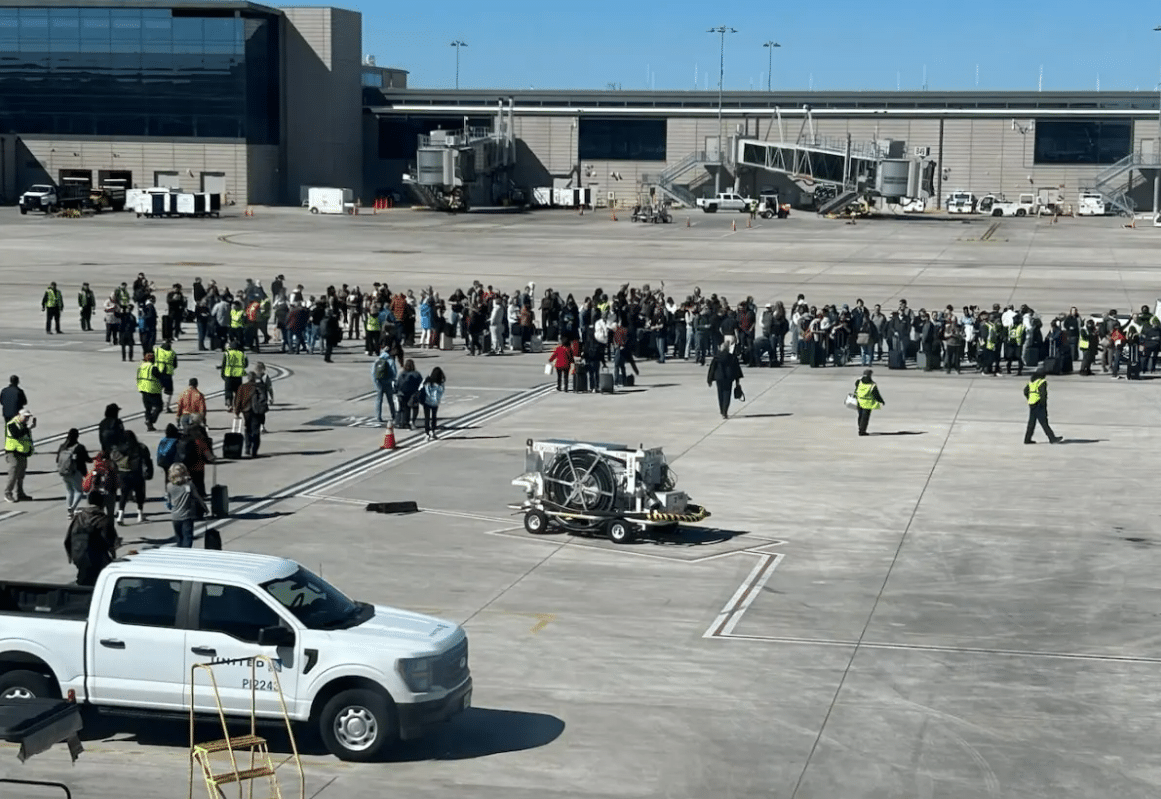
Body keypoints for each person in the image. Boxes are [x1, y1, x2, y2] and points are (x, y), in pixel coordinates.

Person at [64, 491, 117, 586]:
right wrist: (113, 553)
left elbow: (68, 537)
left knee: (84, 576)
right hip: (94, 557)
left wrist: (70, 555)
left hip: (77, 554)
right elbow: (110, 541)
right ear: (102, 504)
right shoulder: (103, 520)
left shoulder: (78, 517)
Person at [112, 430, 152, 524]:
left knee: (123, 494)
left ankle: (120, 515)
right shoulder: (140, 447)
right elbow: (147, 459)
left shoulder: (118, 448)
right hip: (137, 473)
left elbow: (113, 461)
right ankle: (140, 515)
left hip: (123, 473)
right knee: (139, 493)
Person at [166, 463, 207, 548]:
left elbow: (168, 502)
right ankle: (185, 555)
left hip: (175, 516)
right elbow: (197, 497)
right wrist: (204, 507)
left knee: (179, 539)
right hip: (186, 516)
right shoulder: (189, 485)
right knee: (187, 538)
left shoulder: (169, 486)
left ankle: (179, 555)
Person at [56, 428, 91, 519]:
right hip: (76, 472)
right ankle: (73, 507)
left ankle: (69, 510)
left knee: (69, 491)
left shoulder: (62, 446)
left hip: (64, 472)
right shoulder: (79, 447)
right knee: (79, 491)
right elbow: (87, 459)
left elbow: (57, 460)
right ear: (77, 436)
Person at [231, 371, 267, 457]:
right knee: (255, 431)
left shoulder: (242, 387)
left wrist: (237, 412)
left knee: (247, 429)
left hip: (246, 411)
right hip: (257, 411)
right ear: (254, 378)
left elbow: (238, 400)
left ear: (248, 377)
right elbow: (264, 400)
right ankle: (254, 450)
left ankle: (247, 448)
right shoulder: (259, 387)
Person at [1023, 368, 1062, 445]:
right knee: (1044, 422)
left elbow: (1025, 391)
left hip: (1032, 403)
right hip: (1038, 403)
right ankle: (1052, 438)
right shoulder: (1042, 382)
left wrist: (1029, 398)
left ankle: (1027, 439)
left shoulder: (1032, 381)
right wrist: (1043, 404)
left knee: (1031, 422)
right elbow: (1043, 394)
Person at [4, 408, 35, 502]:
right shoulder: (12, 424)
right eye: (25, 417)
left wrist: (29, 450)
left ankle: (20, 493)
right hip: (13, 452)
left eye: (28, 417)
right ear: (19, 415)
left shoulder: (24, 426)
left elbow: (28, 439)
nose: (27, 419)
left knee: (21, 475)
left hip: (22, 453)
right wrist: (28, 428)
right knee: (13, 474)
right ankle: (8, 493)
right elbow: (17, 435)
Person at [707, 343, 743, 420]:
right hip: (729, 378)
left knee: (720, 394)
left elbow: (712, 369)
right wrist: (737, 381)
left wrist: (709, 379)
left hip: (719, 377)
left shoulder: (717, 357)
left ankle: (721, 410)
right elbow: (737, 369)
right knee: (727, 393)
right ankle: (725, 411)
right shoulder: (732, 357)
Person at [136, 352, 164, 432]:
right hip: (152, 389)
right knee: (159, 407)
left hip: (143, 388)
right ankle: (151, 420)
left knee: (148, 408)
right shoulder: (153, 367)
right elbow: (159, 376)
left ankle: (149, 424)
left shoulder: (141, 366)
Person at [854, 368, 886, 436]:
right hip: (867, 403)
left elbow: (856, 387)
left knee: (860, 416)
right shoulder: (872, 385)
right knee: (865, 418)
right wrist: (881, 401)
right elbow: (876, 395)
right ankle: (862, 431)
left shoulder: (859, 381)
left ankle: (860, 428)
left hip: (859, 401)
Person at [372, 347, 398, 424]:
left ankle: (378, 416)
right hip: (388, 382)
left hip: (379, 383)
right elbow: (394, 373)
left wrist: (375, 382)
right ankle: (394, 416)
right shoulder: (390, 361)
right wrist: (392, 380)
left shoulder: (377, 360)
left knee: (379, 400)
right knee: (390, 400)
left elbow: (373, 373)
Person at [220, 338, 248, 409]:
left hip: (229, 375)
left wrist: (222, 374)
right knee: (238, 391)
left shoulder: (227, 354)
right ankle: (238, 405)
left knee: (228, 390)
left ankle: (229, 404)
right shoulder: (242, 354)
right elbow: (245, 364)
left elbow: (223, 365)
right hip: (238, 375)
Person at [395, 359, 422, 429]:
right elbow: (421, 384)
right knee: (408, 408)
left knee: (401, 408)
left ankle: (399, 422)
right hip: (411, 394)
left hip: (401, 393)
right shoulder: (416, 374)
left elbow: (397, 384)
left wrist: (396, 391)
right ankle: (407, 423)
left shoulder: (402, 374)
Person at [153, 338, 178, 413]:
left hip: (157, 372)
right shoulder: (172, 353)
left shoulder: (157, 350)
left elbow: (152, 360)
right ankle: (167, 407)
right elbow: (175, 365)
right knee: (169, 391)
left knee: (157, 390)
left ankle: (155, 406)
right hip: (167, 374)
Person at [421, 367, 446, 440]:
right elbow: (442, 391)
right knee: (434, 417)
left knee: (427, 418)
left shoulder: (428, 381)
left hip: (427, 401)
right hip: (435, 402)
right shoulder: (440, 383)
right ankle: (433, 431)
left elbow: (422, 388)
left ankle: (426, 433)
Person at [254, 362, 274, 433]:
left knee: (255, 412)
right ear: (263, 369)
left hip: (254, 398)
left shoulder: (253, 377)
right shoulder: (265, 377)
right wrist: (272, 398)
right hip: (263, 398)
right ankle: (262, 426)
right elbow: (269, 388)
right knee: (262, 413)